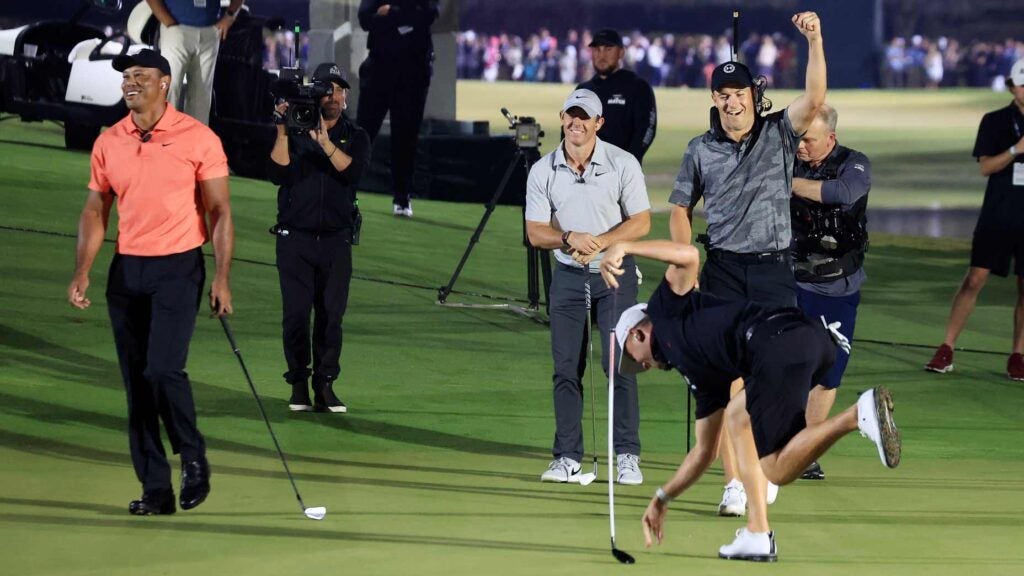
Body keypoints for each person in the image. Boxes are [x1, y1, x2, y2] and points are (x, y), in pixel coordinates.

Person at [599, 240, 900, 561]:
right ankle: (757, 533)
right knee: (738, 418)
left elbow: (688, 256)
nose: (644, 368)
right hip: (803, 338)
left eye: (637, 361)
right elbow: (704, 452)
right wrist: (662, 498)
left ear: (638, 335)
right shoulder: (700, 374)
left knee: (777, 469)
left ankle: (857, 414)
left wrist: (624, 246)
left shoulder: (664, 309)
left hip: (777, 345)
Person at [668, 11, 827, 518]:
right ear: (714, 99)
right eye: (724, 94)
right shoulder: (700, 149)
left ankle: (770, 457)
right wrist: (684, 258)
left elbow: (816, 98)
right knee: (730, 375)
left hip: (773, 269)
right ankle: (737, 483)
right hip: (723, 271)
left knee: (773, 371)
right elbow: (679, 207)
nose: (732, 101)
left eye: (740, 94)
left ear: (753, 98)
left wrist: (815, 40)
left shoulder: (780, 133)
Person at [66, 49, 234, 515]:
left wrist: (221, 276)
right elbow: (96, 209)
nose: (129, 83)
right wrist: (83, 268)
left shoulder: (198, 139)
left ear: (166, 82)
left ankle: (193, 454)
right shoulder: (110, 141)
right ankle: (156, 489)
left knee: (162, 369)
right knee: (136, 385)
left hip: (178, 268)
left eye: (140, 75)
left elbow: (219, 211)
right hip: (127, 271)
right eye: (126, 76)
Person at [525, 88, 651, 485]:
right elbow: (534, 231)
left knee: (619, 364)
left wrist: (599, 241)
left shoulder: (622, 163)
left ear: (599, 123)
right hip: (567, 276)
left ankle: (627, 455)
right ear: (561, 118)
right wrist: (567, 239)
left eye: (585, 117)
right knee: (565, 368)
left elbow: (641, 221)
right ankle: (567, 457)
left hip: (615, 272)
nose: (576, 123)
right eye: (570, 116)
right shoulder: (543, 170)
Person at [268, 63, 371, 413]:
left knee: (331, 315)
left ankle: (325, 385)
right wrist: (283, 130)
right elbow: (277, 173)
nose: (335, 96)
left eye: (340, 91)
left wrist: (325, 143)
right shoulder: (295, 129)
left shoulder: (356, 135)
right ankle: (298, 383)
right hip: (294, 238)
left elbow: (352, 170)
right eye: (328, 89)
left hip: (335, 240)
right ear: (316, 93)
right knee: (296, 315)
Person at [925, 58, 1024, 382]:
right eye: (1023, 85)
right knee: (974, 280)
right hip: (999, 213)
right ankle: (947, 348)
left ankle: (1018, 355)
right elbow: (986, 167)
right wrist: (1015, 149)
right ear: (1011, 87)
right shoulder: (996, 121)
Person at [790, 103, 872, 480]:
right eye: (798, 138)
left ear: (831, 138)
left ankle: (804, 450)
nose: (801, 147)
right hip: (791, 280)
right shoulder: (787, 157)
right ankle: (783, 444)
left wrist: (786, 183)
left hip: (838, 285)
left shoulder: (855, 163)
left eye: (809, 140)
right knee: (789, 363)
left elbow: (842, 192)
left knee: (829, 372)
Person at [356, 0, 440, 218]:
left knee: (406, 137)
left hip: (413, 73)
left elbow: (429, 14)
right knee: (363, 132)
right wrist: (407, 16)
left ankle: (402, 196)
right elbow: (365, 19)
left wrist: (390, 13)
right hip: (380, 68)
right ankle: (345, 189)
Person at [145, 0, 244, 124]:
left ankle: (196, 141)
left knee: (201, 94)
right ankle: (162, 137)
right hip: (177, 28)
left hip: (210, 31)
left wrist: (230, 16)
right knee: (170, 87)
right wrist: (168, 22)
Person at [575, 28, 657, 164]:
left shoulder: (637, 87)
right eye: (597, 50)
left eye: (608, 49)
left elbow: (647, 128)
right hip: (586, 176)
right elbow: (569, 131)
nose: (601, 55)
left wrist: (627, 162)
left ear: (621, 52)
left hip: (623, 175)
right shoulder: (582, 90)